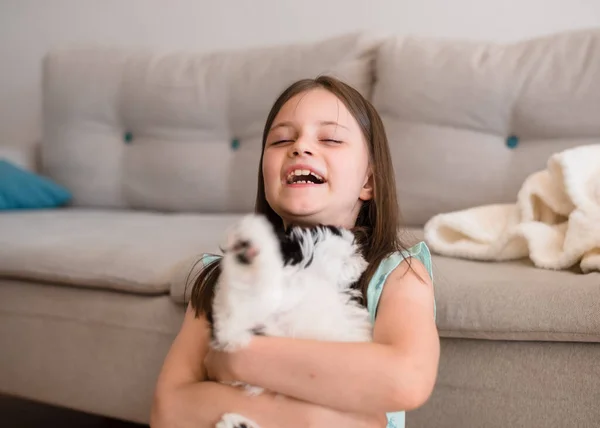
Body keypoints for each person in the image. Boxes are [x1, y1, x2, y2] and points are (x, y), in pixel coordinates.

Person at [150, 76, 439, 428]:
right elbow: (168, 410)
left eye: (330, 139)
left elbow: (406, 379)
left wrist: (239, 358)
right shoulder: (226, 275)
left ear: (368, 182)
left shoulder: (396, 272)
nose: (300, 147)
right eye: (281, 139)